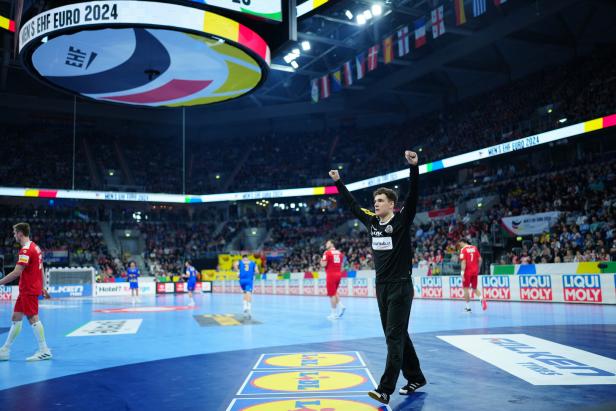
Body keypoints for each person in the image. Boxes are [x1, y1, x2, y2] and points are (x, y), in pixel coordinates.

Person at [329, 150, 426, 405]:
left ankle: (385, 389)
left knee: (393, 337)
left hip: (401, 287)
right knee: (397, 334)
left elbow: (413, 196)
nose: (376, 204)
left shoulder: (403, 220)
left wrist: (414, 168)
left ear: (392, 204)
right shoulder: (372, 222)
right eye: (375, 201)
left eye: (381, 201)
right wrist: (339, 182)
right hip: (381, 287)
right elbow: (351, 205)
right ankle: (416, 377)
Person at [0, 223, 52, 361]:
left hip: (29, 289)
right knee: (16, 317)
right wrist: (43, 287)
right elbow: (41, 268)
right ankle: (5, 350)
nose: (14, 235)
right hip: (27, 289)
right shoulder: (36, 247)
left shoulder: (26, 250)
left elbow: (17, 272)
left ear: (20, 233)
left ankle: (44, 350)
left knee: (33, 318)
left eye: (14, 233)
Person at [458, 239, 486, 312]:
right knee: (474, 288)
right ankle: (482, 299)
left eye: (460, 244)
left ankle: (468, 308)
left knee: (466, 289)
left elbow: (463, 262)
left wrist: (462, 273)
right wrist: (478, 268)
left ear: (463, 242)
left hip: (467, 272)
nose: (459, 245)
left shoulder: (463, 250)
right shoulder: (474, 248)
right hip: (475, 271)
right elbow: (480, 259)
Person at [320, 239, 346, 320]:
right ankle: (341, 306)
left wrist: (321, 260)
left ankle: (334, 314)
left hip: (331, 275)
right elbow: (341, 265)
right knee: (334, 292)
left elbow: (323, 264)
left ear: (332, 244)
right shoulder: (340, 253)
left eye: (327, 243)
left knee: (331, 295)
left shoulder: (326, 253)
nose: (325, 245)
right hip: (338, 274)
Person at [235, 255, 259, 319]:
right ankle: (249, 308)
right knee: (249, 293)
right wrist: (253, 273)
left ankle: (245, 307)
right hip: (249, 280)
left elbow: (235, 264)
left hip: (241, 280)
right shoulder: (253, 263)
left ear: (243, 258)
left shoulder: (240, 262)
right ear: (248, 258)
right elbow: (257, 272)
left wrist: (238, 271)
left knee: (245, 293)